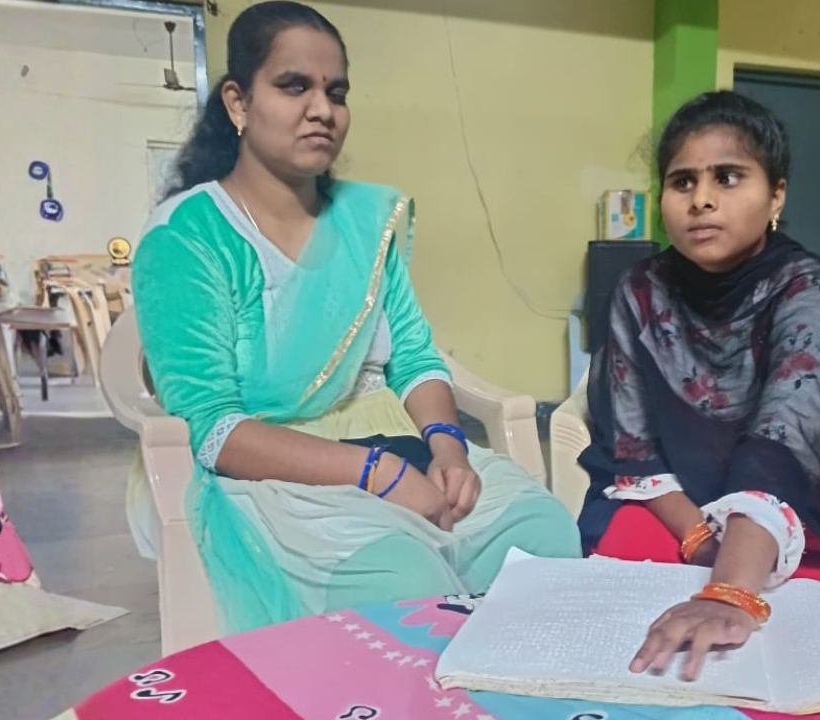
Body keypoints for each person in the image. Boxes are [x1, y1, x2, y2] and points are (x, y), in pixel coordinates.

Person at [129, 1, 579, 633]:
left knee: (543, 534)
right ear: (238, 102)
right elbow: (215, 430)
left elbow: (415, 358)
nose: (322, 109)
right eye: (294, 86)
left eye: (336, 92)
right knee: (403, 586)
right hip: (270, 467)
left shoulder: (368, 222)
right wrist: (375, 474)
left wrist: (449, 448)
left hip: (393, 436)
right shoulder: (187, 236)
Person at [576, 91, 820, 680]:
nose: (701, 199)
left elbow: (780, 447)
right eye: (682, 181)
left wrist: (729, 591)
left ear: (776, 195)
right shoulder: (640, 291)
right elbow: (633, 449)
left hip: (806, 515)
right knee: (608, 619)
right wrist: (700, 539)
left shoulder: (805, 290)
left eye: (727, 177)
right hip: (682, 509)